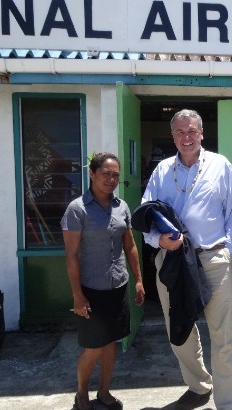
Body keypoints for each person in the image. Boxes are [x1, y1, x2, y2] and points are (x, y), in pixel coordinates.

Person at [142, 109, 232, 410]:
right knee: (179, 331)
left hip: (213, 261)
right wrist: (156, 240)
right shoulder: (162, 170)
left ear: (201, 134)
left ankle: (229, 404)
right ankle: (199, 387)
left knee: (224, 337)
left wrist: (229, 250)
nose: (186, 138)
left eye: (192, 132)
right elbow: (145, 213)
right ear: (173, 136)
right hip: (172, 261)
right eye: (180, 133)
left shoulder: (220, 165)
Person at [61, 152, 145, 410]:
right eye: (106, 174)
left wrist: (139, 280)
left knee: (111, 343)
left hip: (117, 286)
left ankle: (105, 392)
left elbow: (129, 245)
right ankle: (81, 392)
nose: (111, 179)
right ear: (92, 174)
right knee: (94, 347)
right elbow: (71, 256)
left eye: (115, 175)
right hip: (91, 290)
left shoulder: (122, 206)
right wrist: (78, 295)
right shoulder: (77, 209)